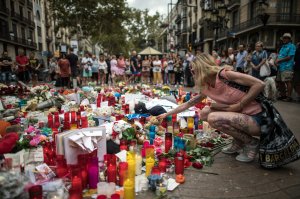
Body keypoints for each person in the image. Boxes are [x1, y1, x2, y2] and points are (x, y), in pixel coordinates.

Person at [158, 53, 265, 163]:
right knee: (204, 113)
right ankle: (239, 141)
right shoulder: (206, 86)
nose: (191, 73)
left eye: (193, 70)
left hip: (257, 118)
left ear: (202, 68)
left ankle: (252, 143)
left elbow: (259, 84)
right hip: (239, 116)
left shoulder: (224, 75)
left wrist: (240, 105)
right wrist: (166, 114)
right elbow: (188, 104)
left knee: (213, 118)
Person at [276, 33, 296, 102]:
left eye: (286, 38)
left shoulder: (292, 46)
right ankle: (283, 95)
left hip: (287, 67)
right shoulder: (282, 46)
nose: (284, 39)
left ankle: (289, 97)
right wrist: (277, 61)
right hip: (280, 67)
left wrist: (279, 60)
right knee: (279, 81)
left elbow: (289, 57)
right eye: (284, 38)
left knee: (288, 81)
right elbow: (280, 55)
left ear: (289, 39)